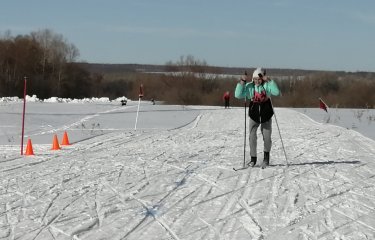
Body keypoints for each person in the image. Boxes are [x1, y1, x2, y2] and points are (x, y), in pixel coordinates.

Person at [234, 67, 280, 168]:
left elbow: (276, 92)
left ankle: (266, 159)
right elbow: (237, 95)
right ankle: (253, 159)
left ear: (262, 79)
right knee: (252, 137)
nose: (257, 81)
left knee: (267, 138)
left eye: (259, 79)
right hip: (254, 114)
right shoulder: (250, 87)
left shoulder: (267, 86)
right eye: (255, 79)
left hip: (266, 114)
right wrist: (242, 81)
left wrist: (269, 80)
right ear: (253, 79)